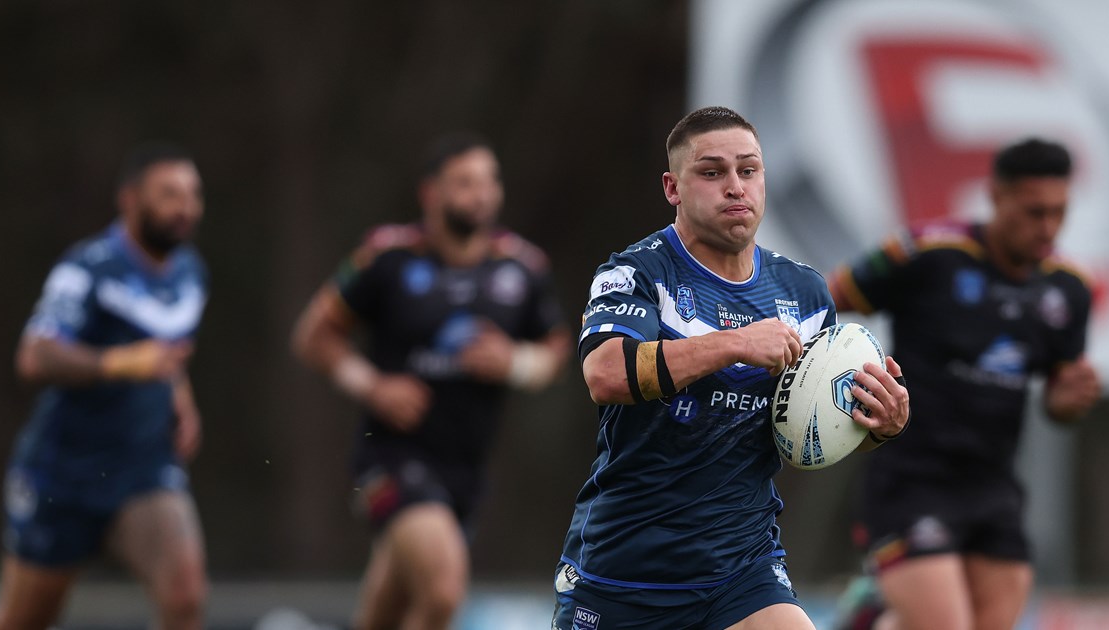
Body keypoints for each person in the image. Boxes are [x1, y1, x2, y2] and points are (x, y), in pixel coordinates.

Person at [549, 106, 911, 630]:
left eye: (748, 170)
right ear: (673, 188)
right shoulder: (637, 271)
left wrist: (879, 424)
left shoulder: (804, 293)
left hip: (742, 569)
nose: (735, 186)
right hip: (625, 573)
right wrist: (734, 344)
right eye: (712, 172)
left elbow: (806, 429)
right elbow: (606, 375)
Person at [290, 133, 570, 630]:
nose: (480, 195)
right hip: (392, 458)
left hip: (466, 467)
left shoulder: (521, 268)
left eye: (488, 182)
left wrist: (514, 363)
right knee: (442, 590)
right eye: (464, 183)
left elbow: (557, 350)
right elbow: (313, 336)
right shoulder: (387, 258)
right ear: (430, 193)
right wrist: (373, 386)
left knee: (386, 614)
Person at [829, 138, 1103, 630]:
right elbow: (824, 300)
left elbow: (1060, 400)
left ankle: (875, 617)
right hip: (910, 480)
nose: (1048, 228)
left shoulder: (1069, 289)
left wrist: (1068, 401)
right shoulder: (925, 253)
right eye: (1034, 212)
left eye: (1059, 213)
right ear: (997, 197)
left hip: (994, 487)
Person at [0, 144, 211, 630]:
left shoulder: (191, 273)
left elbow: (167, 356)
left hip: (143, 470)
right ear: (130, 199)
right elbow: (36, 355)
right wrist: (117, 362)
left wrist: (182, 400)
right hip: (65, 474)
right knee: (24, 620)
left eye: (193, 195)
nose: (186, 208)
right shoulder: (87, 269)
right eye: (169, 195)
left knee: (185, 598)